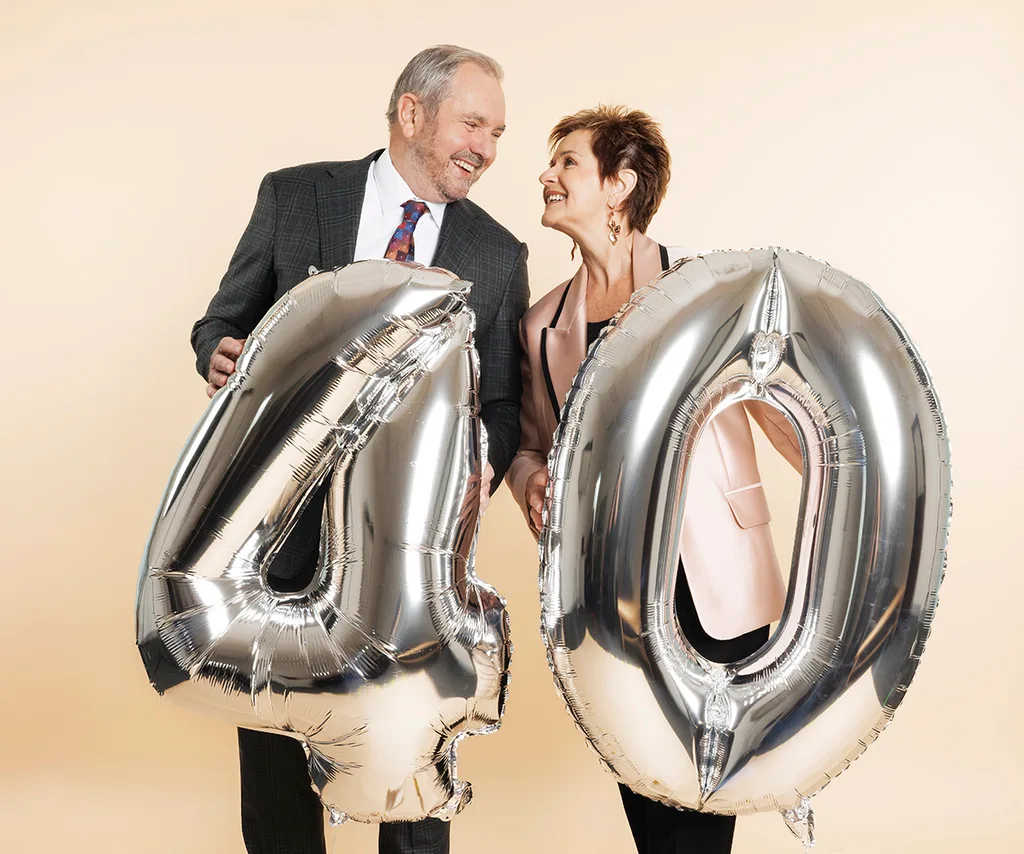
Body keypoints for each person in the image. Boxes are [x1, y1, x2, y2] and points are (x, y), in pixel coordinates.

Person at [191, 45, 529, 854]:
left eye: (497, 133)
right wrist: (218, 351)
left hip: (412, 560)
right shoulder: (298, 196)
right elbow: (220, 319)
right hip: (279, 541)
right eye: (472, 124)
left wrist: (478, 456)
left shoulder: (498, 252)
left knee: (408, 766)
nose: (486, 148)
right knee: (276, 765)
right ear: (411, 113)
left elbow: (505, 403)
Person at [505, 105, 802, 853]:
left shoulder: (708, 286)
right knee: (643, 781)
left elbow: (787, 415)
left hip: (718, 582)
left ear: (620, 185)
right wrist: (533, 481)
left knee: (704, 787)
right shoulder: (541, 325)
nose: (546, 174)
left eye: (567, 162)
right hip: (612, 589)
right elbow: (532, 446)